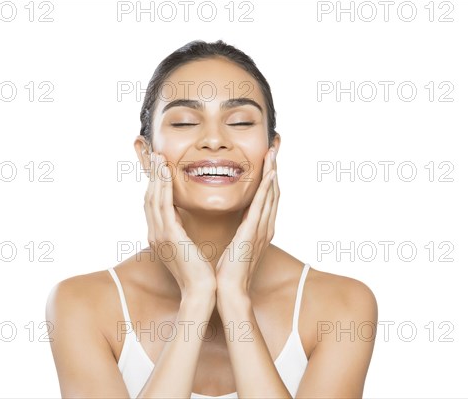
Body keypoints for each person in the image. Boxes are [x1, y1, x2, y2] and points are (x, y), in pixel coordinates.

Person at [46, 40, 378, 398]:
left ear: (272, 150)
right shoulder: (81, 305)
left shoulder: (342, 306)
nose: (215, 139)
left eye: (240, 121)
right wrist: (197, 297)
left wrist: (235, 299)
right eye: (186, 121)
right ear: (146, 154)